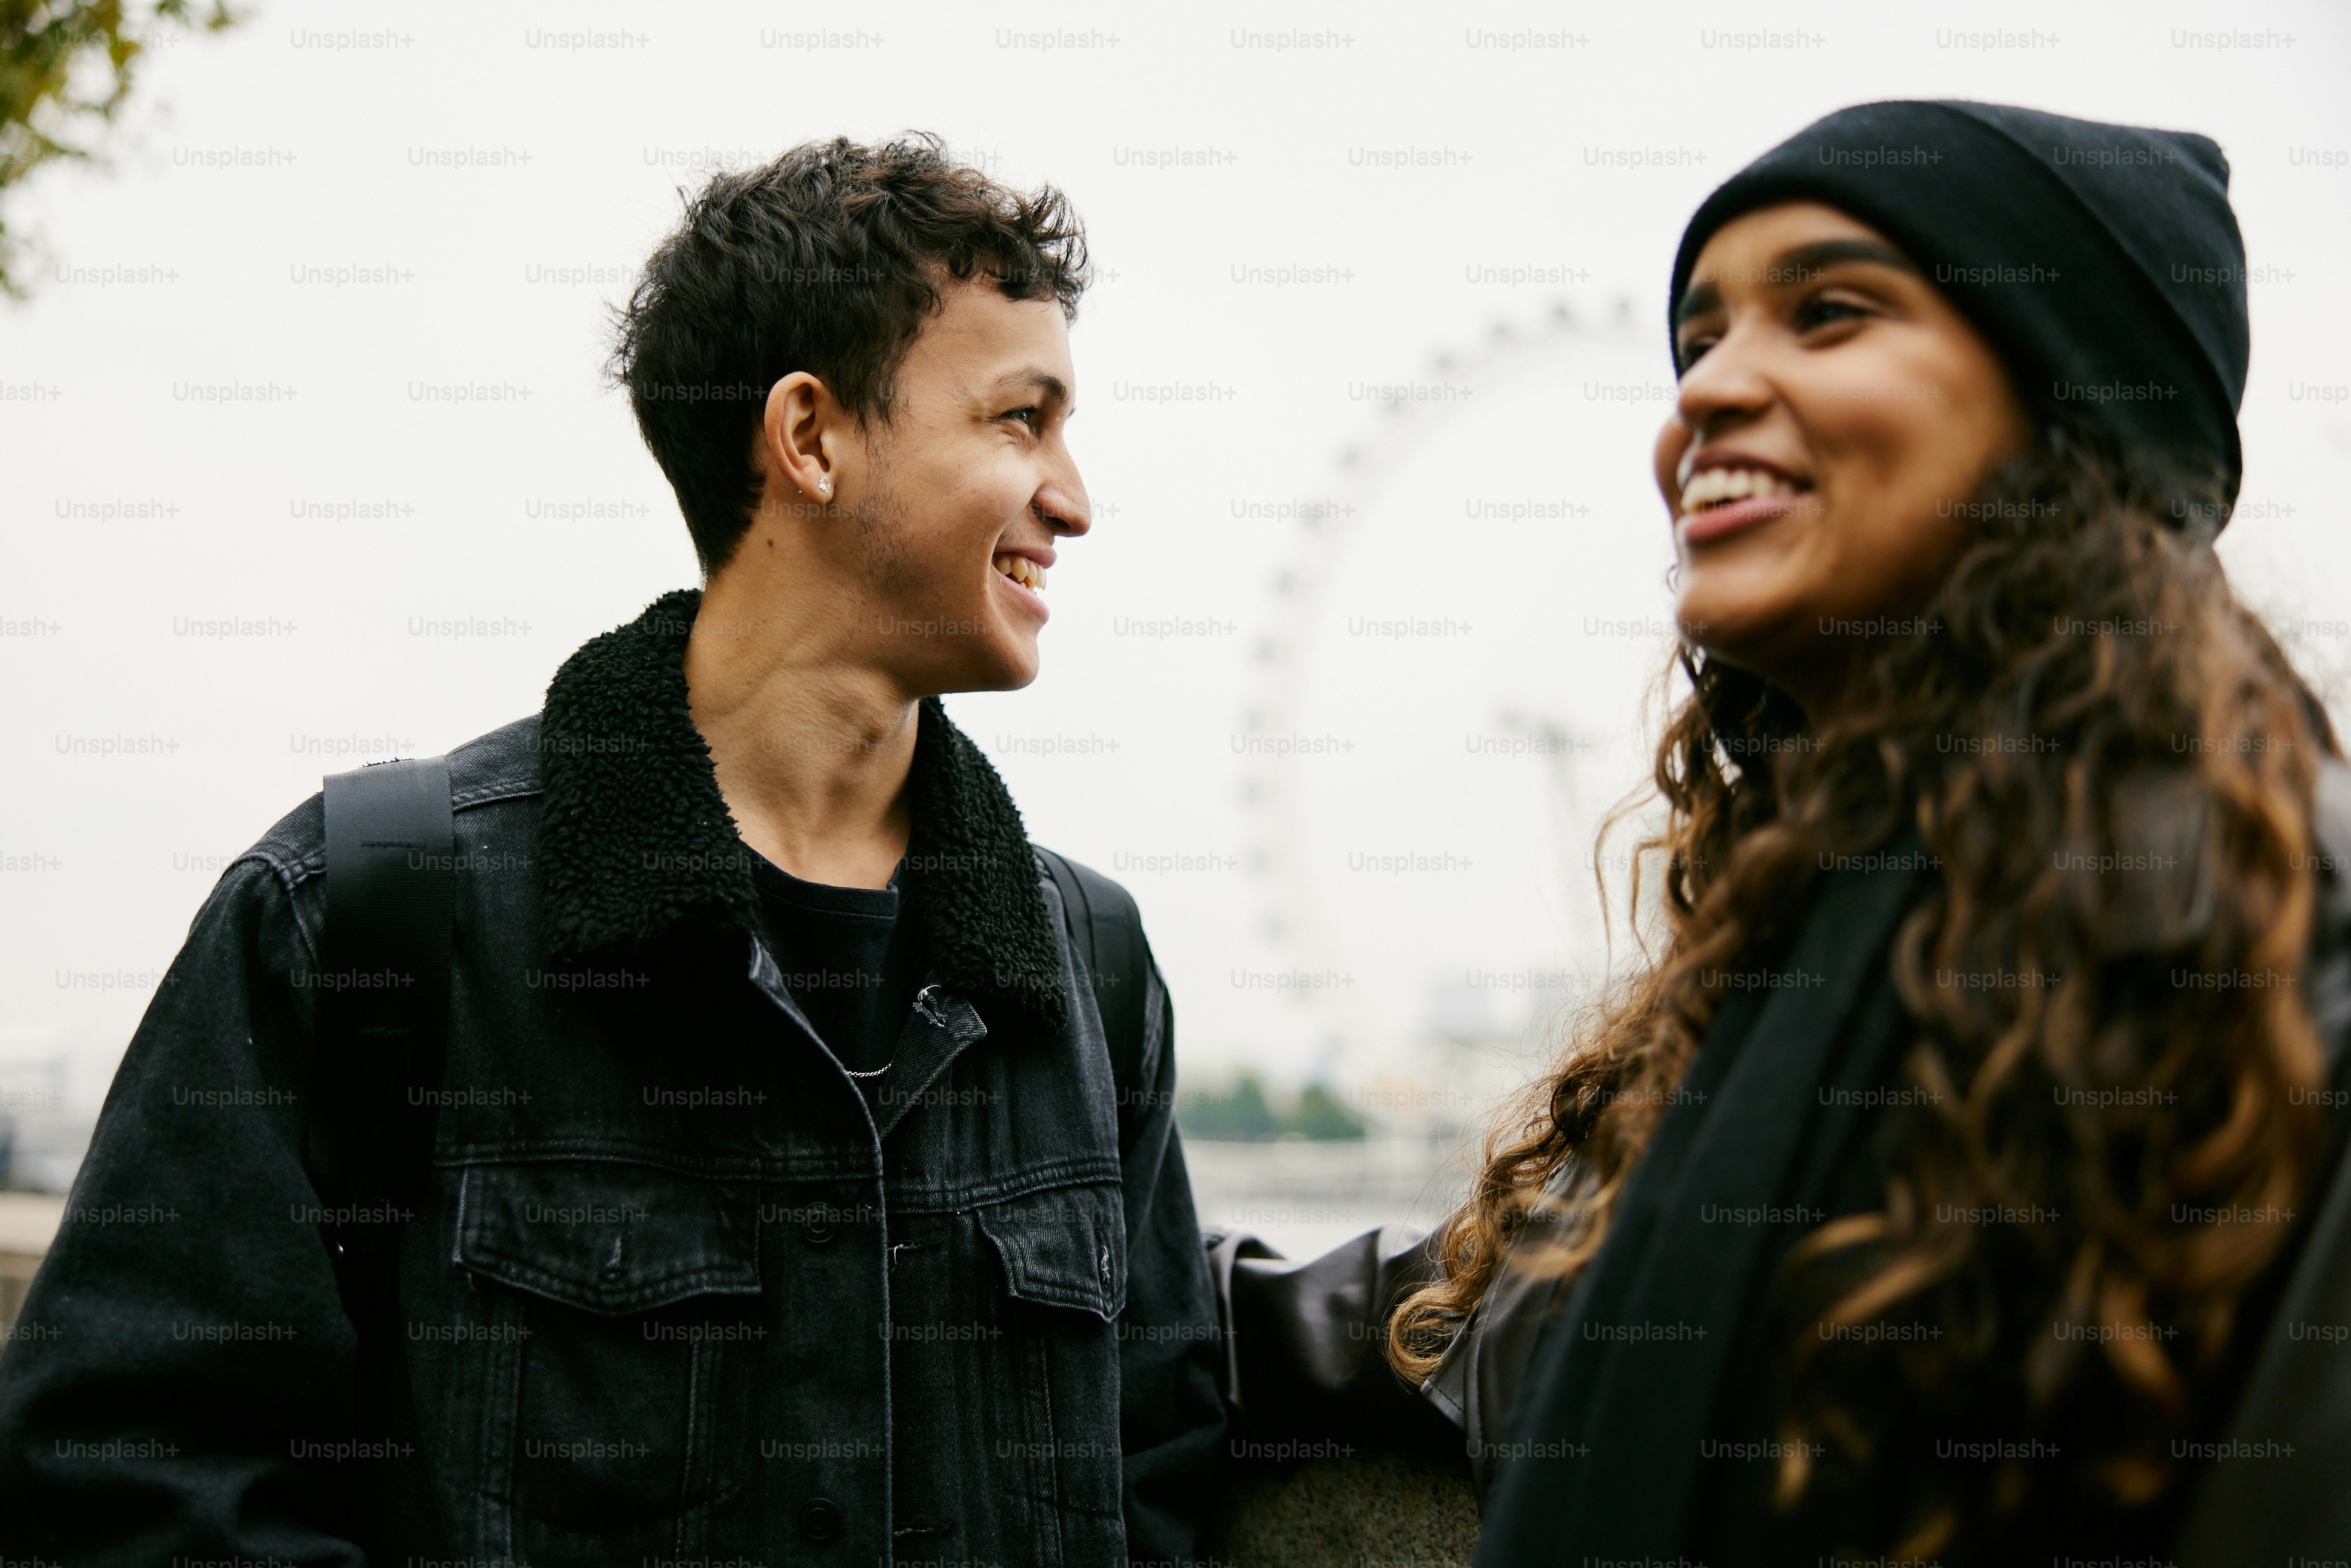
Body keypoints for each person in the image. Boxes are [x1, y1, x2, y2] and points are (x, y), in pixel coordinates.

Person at [0, 136, 1225, 1565]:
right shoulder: (369, 919)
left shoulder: (1090, 966)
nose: (1072, 498)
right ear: (811, 437)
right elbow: (119, 1485)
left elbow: (1163, 1480)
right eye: (1021, 419)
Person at [1213, 100, 2351, 1566]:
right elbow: (1502, 1311)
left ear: (2074, 404)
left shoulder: (2271, 939)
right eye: (1697, 342)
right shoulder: (1796, 939)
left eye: (1827, 315)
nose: (1707, 393)